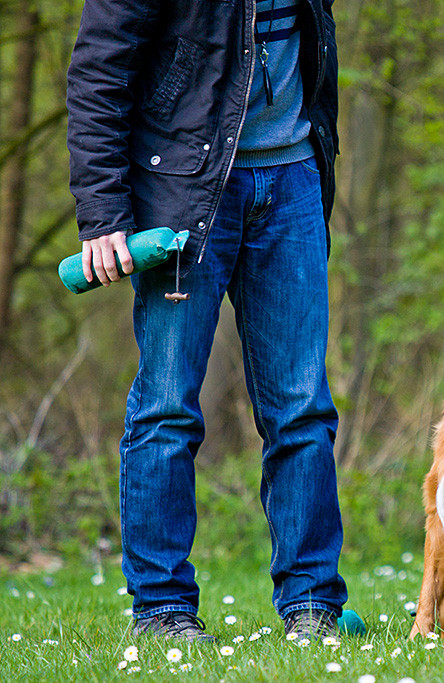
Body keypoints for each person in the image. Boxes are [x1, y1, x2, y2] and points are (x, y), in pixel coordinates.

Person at [66, 0, 361, 643]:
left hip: (293, 180)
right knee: (166, 409)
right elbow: (97, 73)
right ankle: (163, 610)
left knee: (301, 409)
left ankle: (312, 606)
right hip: (183, 191)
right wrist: (104, 213)